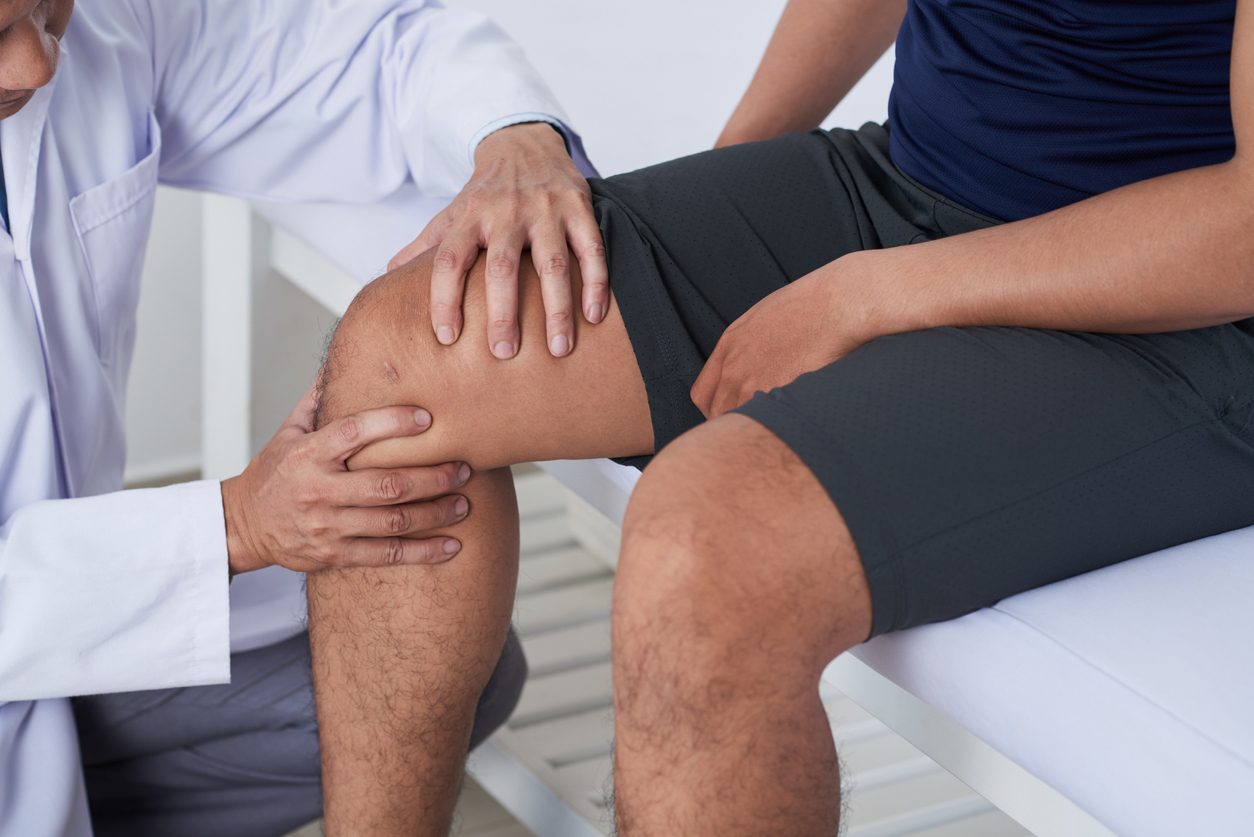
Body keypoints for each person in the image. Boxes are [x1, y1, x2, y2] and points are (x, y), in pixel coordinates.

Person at [300, 0, 1254, 833]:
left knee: (705, 544)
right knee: (402, 354)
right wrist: (703, 219)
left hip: (1180, 308)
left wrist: (867, 296)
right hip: (907, 181)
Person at [0, 0, 607, 835]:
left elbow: (371, 53)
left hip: (48, 647)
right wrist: (234, 525)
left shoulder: (106, 25)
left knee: (432, 668)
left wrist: (516, 138)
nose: (37, 66)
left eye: (46, 9)